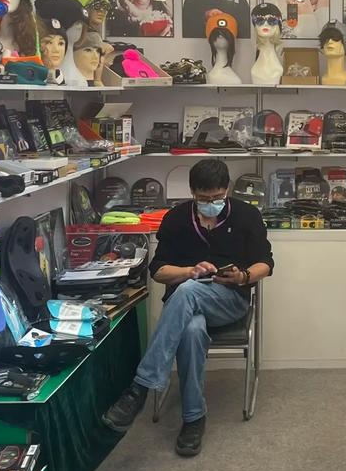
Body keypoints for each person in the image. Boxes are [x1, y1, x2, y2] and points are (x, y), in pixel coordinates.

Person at [102, 159, 273, 454]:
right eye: (204, 198)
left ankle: (141, 387)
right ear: (192, 192)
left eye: (217, 197)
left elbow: (266, 264)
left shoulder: (247, 215)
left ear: (227, 189)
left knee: (189, 291)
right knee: (192, 327)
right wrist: (189, 271)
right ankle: (194, 418)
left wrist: (243, 276)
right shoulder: (177, 218)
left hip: (229, 300)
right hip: (184, 304)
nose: (211, 203)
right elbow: (158, 271)